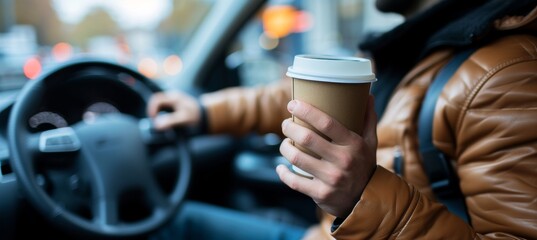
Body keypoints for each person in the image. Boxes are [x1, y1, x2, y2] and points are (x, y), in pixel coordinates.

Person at [149, 0, 537, 239]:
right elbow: (302, 100)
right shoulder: (417, 47)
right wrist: (204, 112)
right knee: (168, 221)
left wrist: (362, 195)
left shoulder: (506, 76)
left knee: (165, 223)